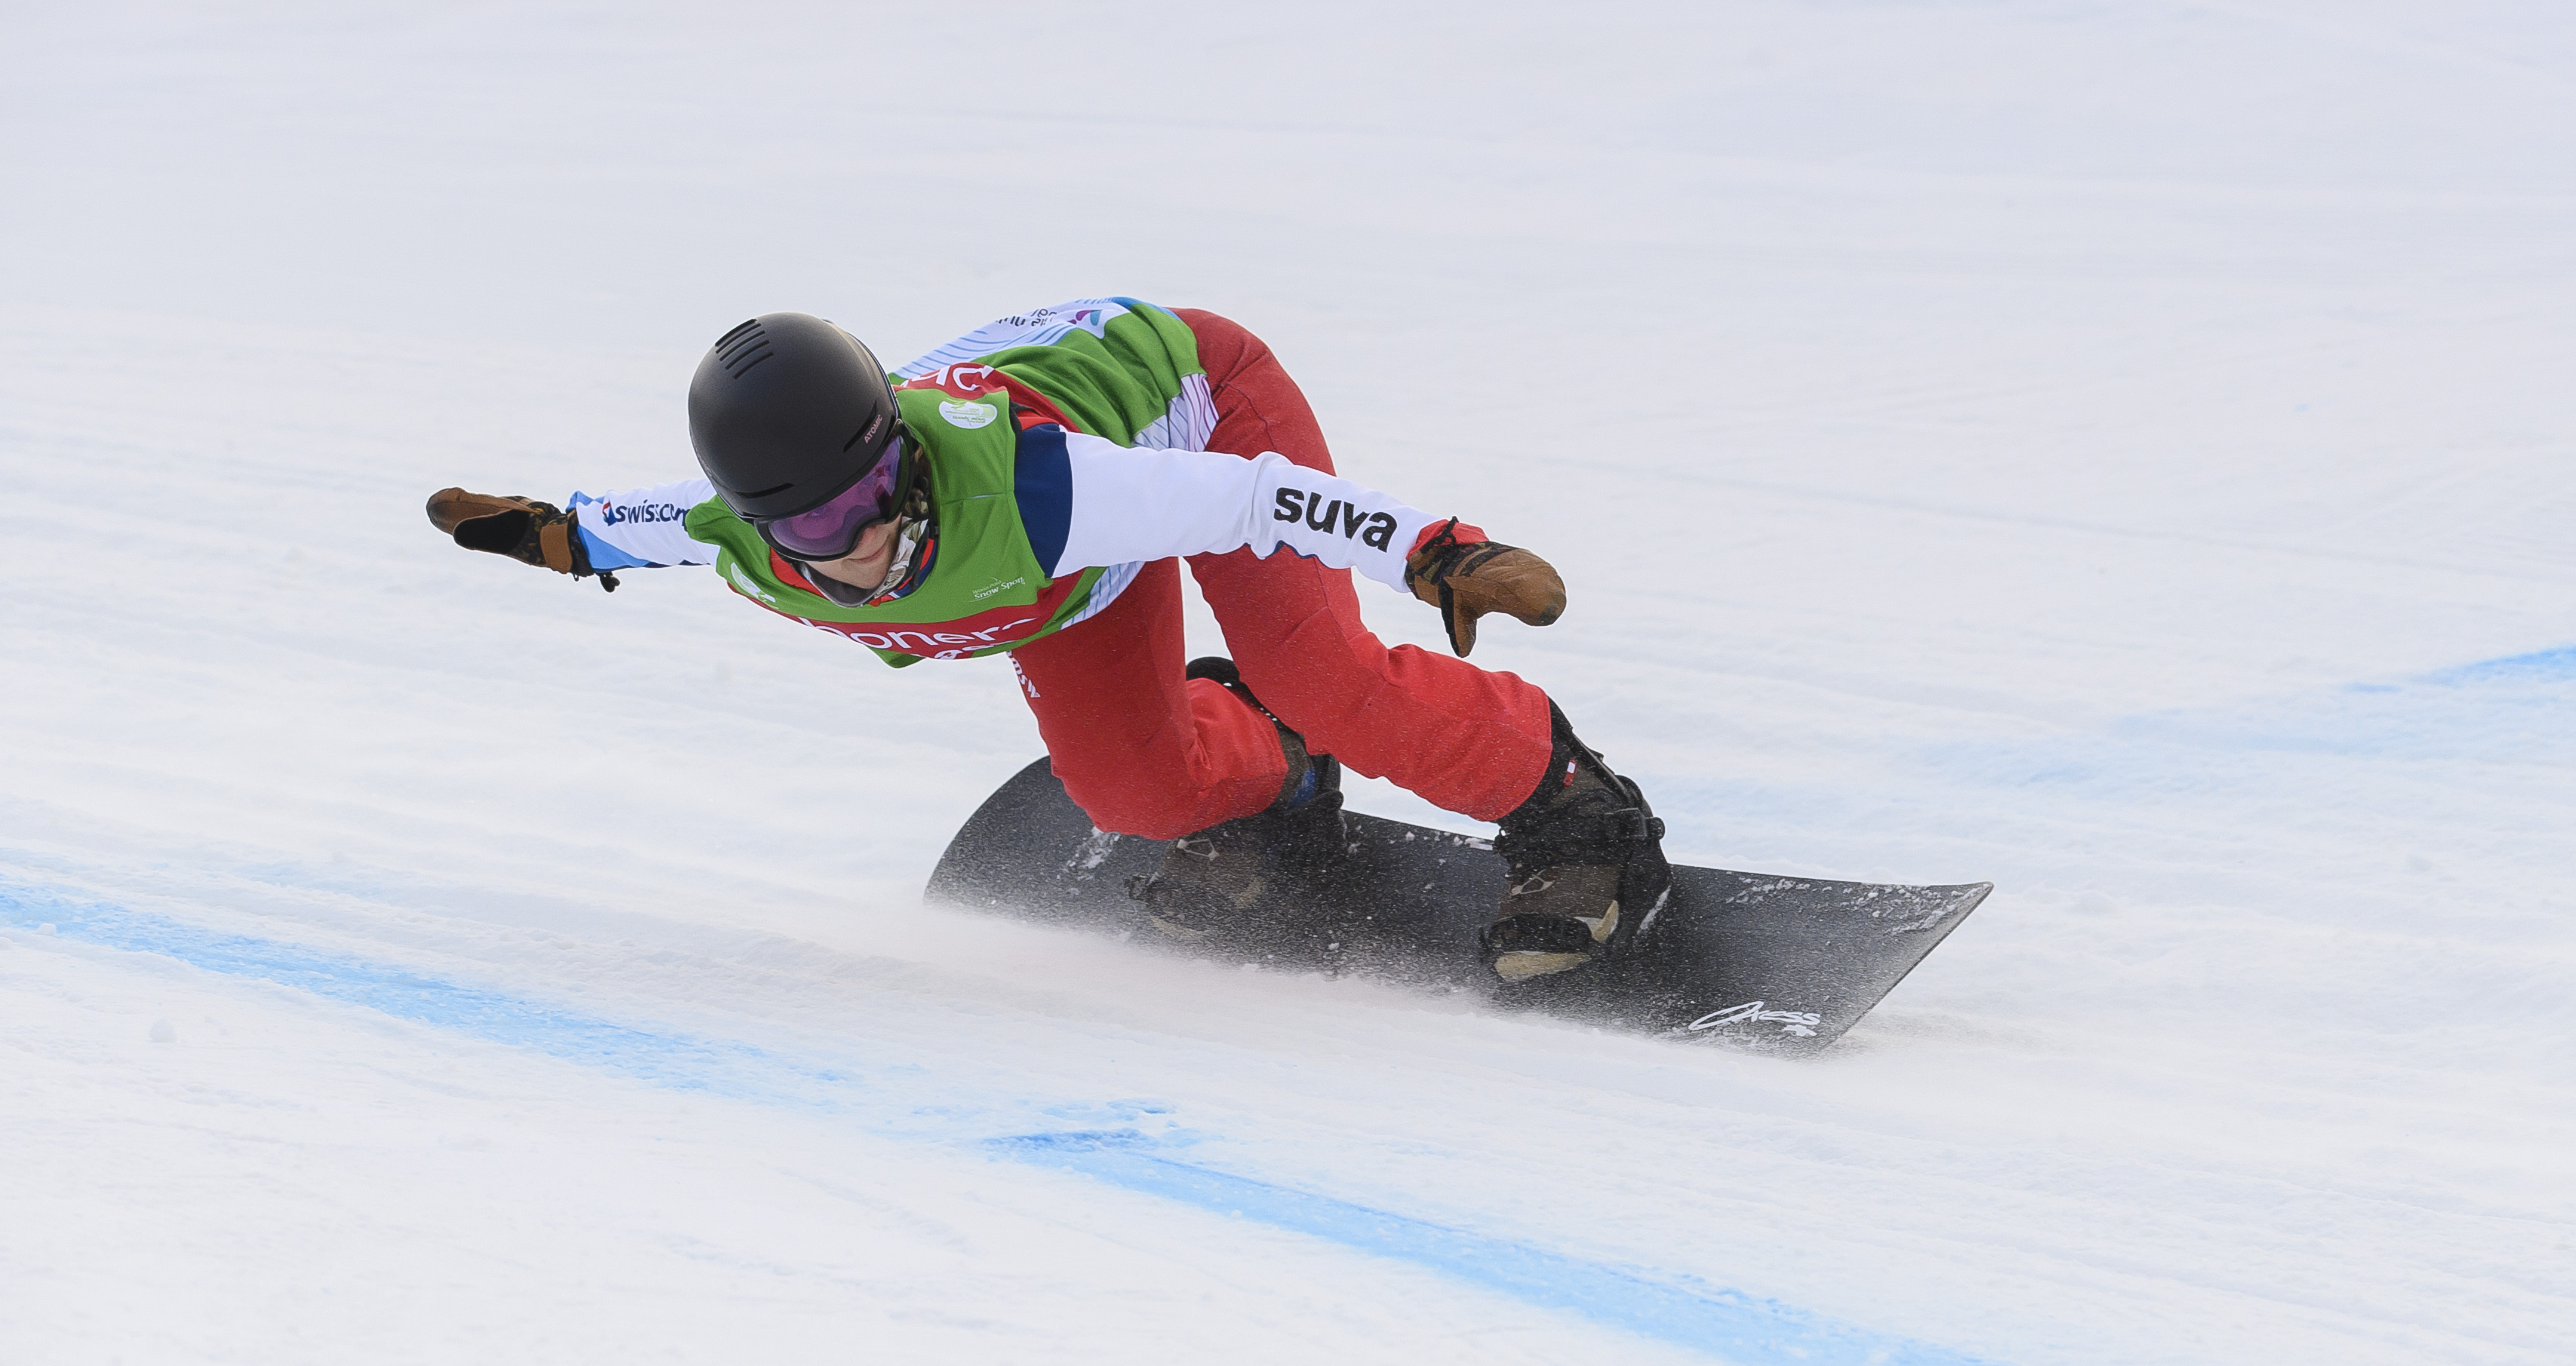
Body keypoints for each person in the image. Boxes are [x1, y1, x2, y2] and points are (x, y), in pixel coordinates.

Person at [427, 299, 1668, 980]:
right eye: (804, 524)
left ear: (899, 456)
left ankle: (1574, 814)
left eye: (863, 499)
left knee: (1320, 673)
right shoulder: (737, 535)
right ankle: (1267, 783)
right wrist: (537, 532)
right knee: (1130, 785)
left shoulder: (1037, 485)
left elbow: (1253, 499)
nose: (847, 544)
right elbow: (597, 530)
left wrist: (1435, 549)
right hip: (1059, 570)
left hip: (1195, 418)